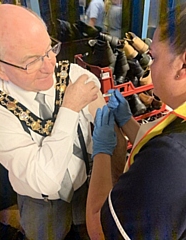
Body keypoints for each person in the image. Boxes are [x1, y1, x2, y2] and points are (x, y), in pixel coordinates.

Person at [0, 4, 107, 240]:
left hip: (87, 187)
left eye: (50, 49)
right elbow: (46, 182)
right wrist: (70, 108)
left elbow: (106, 126)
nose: (50, 66)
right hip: (41, 205)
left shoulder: (72, 74)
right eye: (32, 62)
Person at [87, 2, 186, 239]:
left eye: (154, 58)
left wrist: (102, 151)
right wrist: (128, 122)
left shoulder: (171, 157)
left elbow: (100, 229)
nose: (149, 69)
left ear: (183, 64)